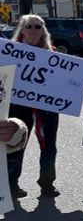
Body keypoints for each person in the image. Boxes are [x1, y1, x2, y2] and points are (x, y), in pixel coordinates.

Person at [7, 15, 61, 199]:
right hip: (18, 106)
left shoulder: (52, 54)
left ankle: (47, 184)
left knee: (49, 146)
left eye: (37, 26)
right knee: (15, 143)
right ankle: (11, 184)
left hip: (47, 107)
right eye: (28, 26)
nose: (33, 29)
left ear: (42, 30)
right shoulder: (9, 53)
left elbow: (66, 80)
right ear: (22, 29)